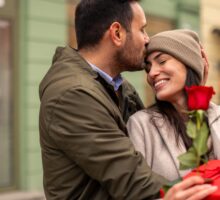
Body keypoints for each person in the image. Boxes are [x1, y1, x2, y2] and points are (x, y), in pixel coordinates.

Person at [39, 0, 217, 198]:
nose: (147, 39)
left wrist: (195, 92)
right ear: (117, 33)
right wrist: (205, 192)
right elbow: (130, 177)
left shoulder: (119, 88)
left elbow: (191, 147)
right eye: (142, 29)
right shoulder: (73, 94)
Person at [127, 29, 220, 183]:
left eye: (162, 61)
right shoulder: (141, 125)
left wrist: (198, 93)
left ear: (188, 63)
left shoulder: (215, 116)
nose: (151, 73)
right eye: (148, 67)